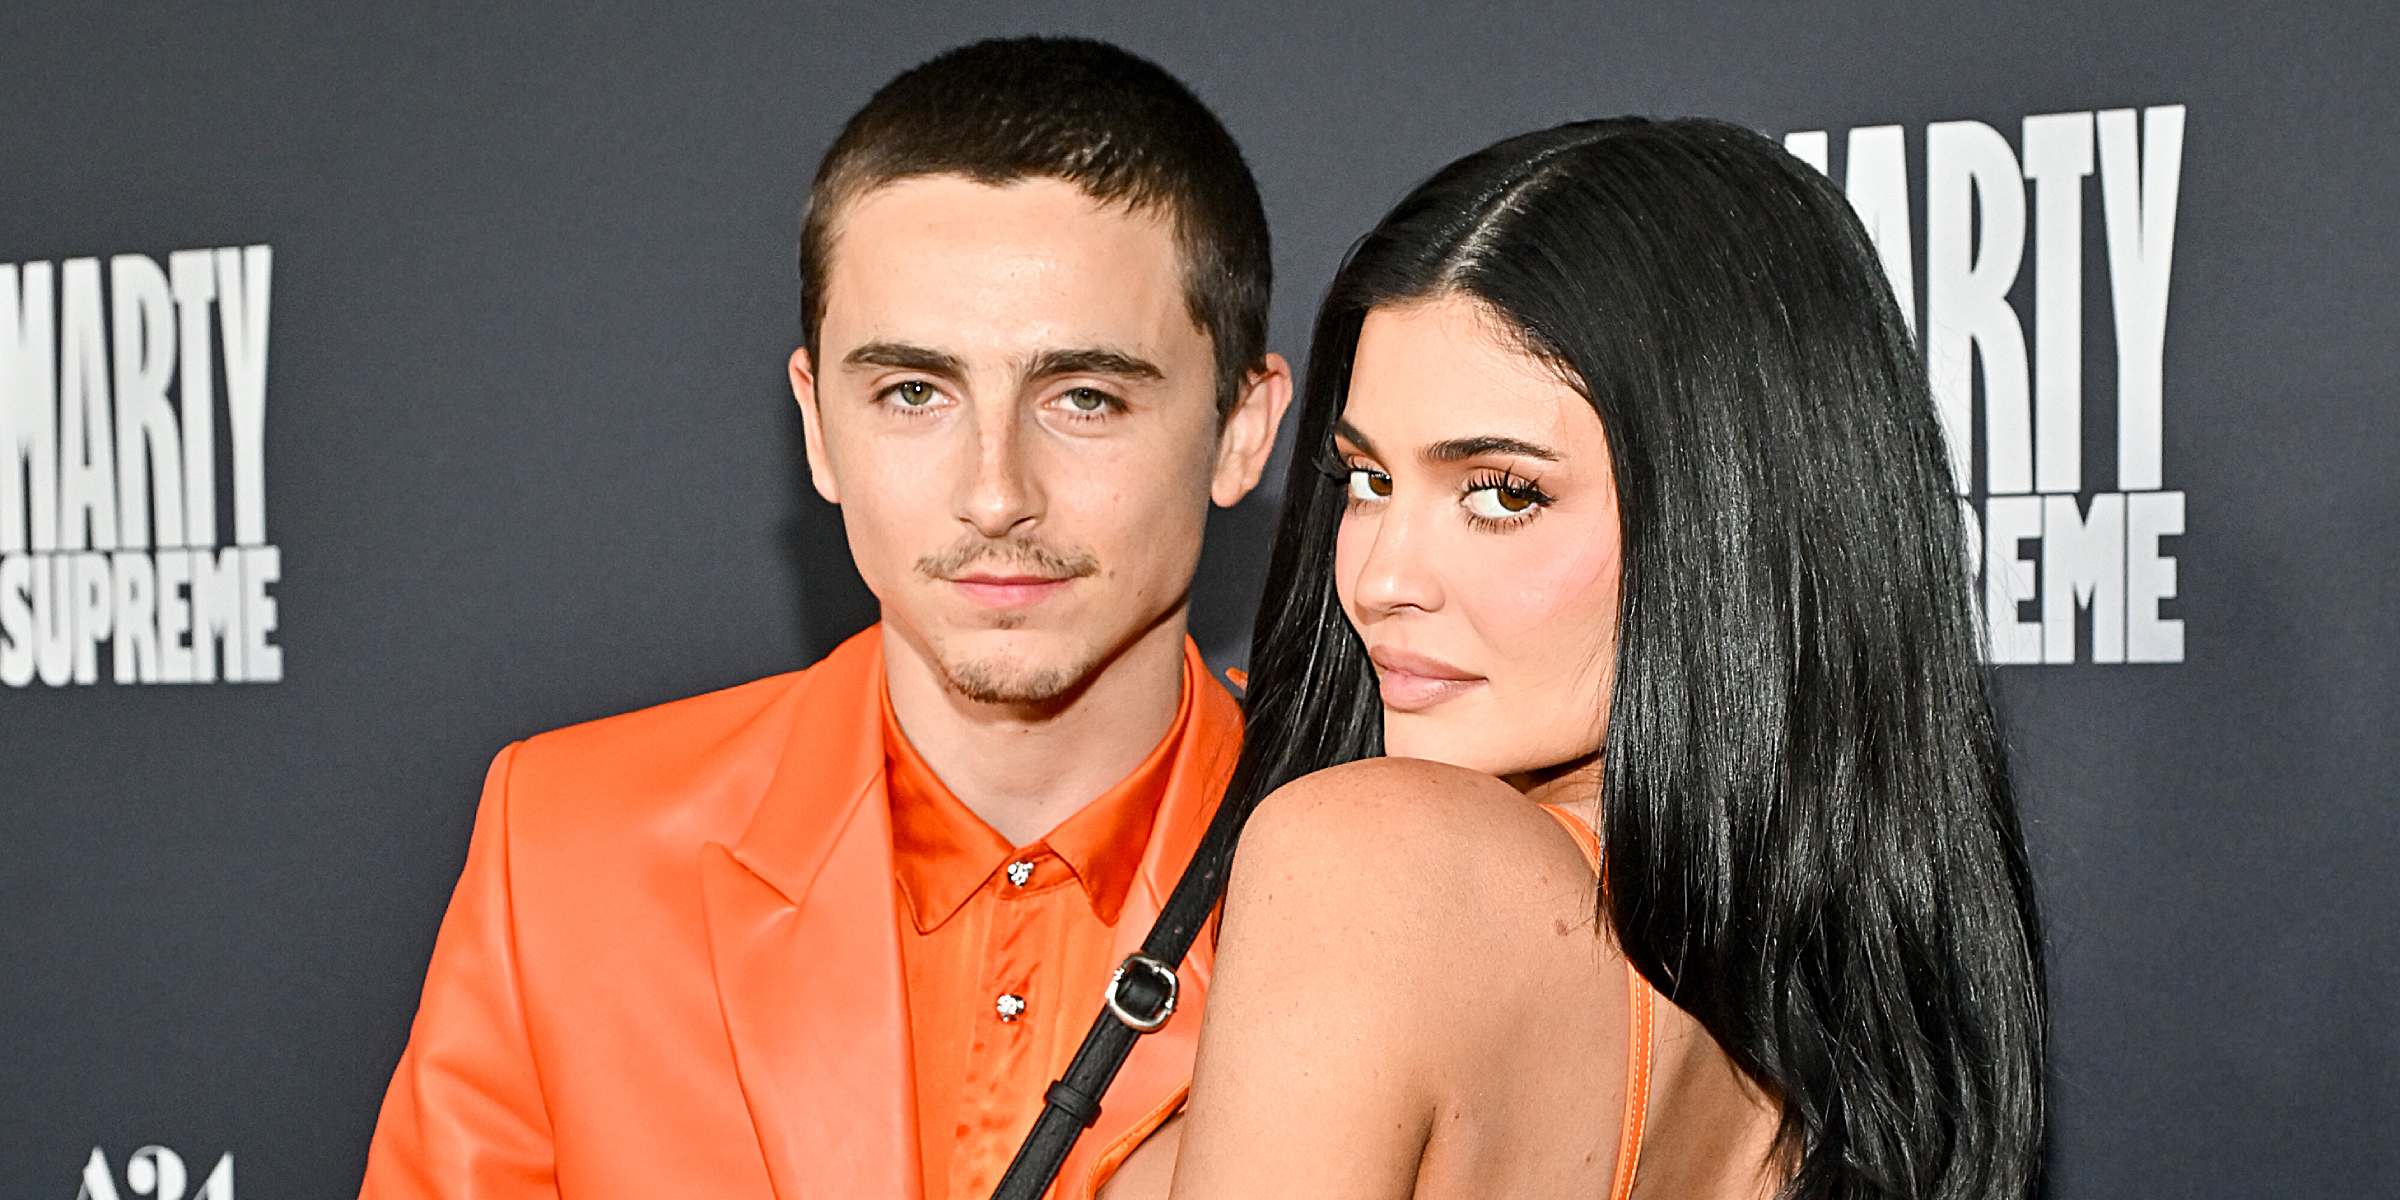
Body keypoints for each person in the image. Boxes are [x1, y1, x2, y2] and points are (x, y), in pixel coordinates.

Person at [358, 38, 1291, 1200]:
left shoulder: (1399, 904)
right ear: (816, 426)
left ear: (1242, 428)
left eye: (1085, 398)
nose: (995, 493)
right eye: (913, 393)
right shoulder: (564, 850)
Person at [1096, 118, 2044, 1200]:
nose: (1379, 578)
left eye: (1504, 493)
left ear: (1733, 523)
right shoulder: (1835, 1027)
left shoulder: (1368, 856)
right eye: (1367, 480)